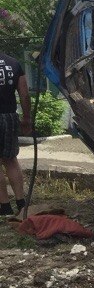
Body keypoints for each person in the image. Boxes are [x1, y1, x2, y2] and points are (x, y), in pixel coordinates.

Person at [0, 51, 32, 217]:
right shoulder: (13, 63)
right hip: (10, 116)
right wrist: (27, 118)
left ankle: (4, 208)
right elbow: (24, 94)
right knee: (11, 160)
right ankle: (21, 204)